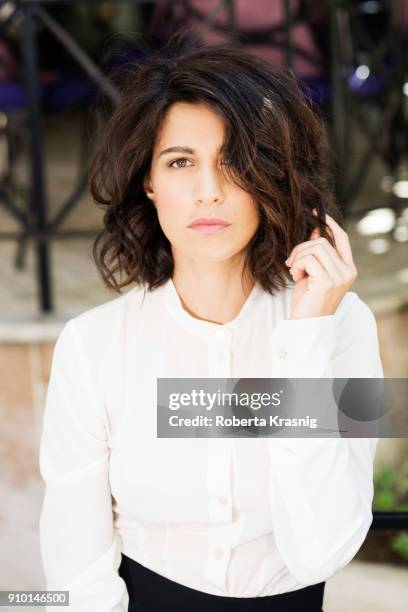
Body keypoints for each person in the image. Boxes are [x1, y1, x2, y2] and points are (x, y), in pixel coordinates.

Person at [38, 36, 384, 612]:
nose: (209, 192)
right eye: (180, 162)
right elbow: (76, 567)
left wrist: (306, 341)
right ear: (148, 182)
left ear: (270, 175)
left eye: (235, 162)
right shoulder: (91, 345)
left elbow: (324, 549)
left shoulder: (341, 324)